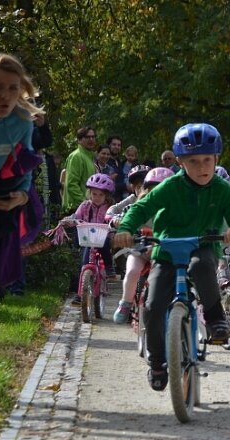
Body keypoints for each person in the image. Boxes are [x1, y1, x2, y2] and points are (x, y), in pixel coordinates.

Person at [114, 123, 230, 391]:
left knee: (201, 267)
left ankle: (216, 318)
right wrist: (126, 228)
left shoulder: (221, 188)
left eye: (207, 160)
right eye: (193, 161)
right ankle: (158, 363)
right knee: (152, 306)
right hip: (167, 251)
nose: (202, 167)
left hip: (204, 246)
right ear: (180, 162)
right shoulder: (170, 186)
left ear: (216, 159)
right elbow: (142, 207)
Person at [0, 53, 44, 300]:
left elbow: (25, 163)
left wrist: (21, 196)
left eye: (13, 88)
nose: (6, 95)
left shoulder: (22, 121)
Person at [108, 166, 176, 324]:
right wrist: (117, 222)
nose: (159, 194)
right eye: (154, 190)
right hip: (140, 250)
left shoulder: (177, 210)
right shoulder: (140, 206)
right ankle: (125, 303)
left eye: (163, 190)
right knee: (131, 271)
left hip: (163, 253)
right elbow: (127, 216)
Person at [68, 173, 116, 305]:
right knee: (83, 263)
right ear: (90, 193)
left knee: (106, 244)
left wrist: (116, 222)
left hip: (103, 237)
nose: (97, 197)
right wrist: (70, 220)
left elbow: (114, 218)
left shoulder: (109, 208)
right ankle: (80, 293)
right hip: (87, 238)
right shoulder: (85, 206)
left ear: (106, 195)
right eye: (94, 194)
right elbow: (76, 216)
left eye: (101, 195)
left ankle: (108, 266)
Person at [62, 126, 97, 214]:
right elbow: (72, 184)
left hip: (85, 206)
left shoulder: (89, 156)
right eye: (87, 137)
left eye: (93, 137)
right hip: (76, 208)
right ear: (79, 140)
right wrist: (85, 202)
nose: (91, 139)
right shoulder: (76, 156)